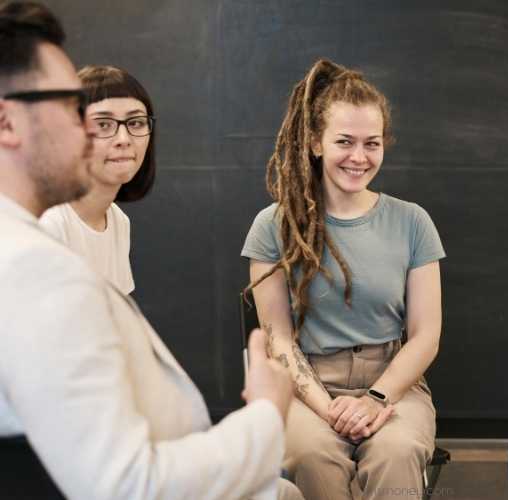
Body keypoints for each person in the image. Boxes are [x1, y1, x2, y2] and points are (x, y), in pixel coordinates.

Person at [0, 2, 300, 499]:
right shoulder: (37, 266)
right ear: (7, 123)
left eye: (135, 122)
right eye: (73, 109)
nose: (92, 133)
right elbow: (127, 485)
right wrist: (267, 413)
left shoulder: (72, 238)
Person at [242, 58, 445, 500]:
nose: (359, 156)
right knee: (314, 455)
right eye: (344, 141)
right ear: (315, 142)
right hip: (307, 386)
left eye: (372, 143)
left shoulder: (413, 222)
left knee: (395, 451)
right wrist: (330, 408)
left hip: (394, 380)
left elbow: (426, 336)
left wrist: (376, 398)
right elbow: (278, 340)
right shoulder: (272, 226)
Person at [40, 65, 156, 294]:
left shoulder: (118, 220)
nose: (124, 139)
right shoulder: (49, 223)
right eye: (103, 124)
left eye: (135, 123)